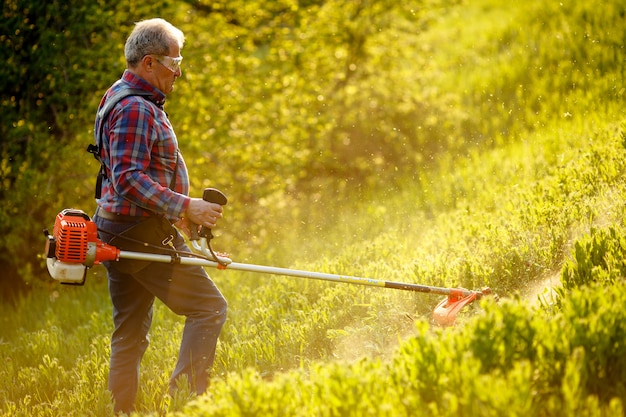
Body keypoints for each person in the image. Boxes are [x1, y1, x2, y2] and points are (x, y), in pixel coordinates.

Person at [92, 18, 227, 414]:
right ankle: (188, 404)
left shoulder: (120, 94)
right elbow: (128, 179)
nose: (179, 71)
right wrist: (187, 205)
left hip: (119, 229)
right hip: (138, 232)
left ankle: (122, 411)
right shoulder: (135, 107)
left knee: (130, 332)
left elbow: (137, 175)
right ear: (149, 62)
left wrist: (180, 218)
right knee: (209, 308)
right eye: (174, 61)